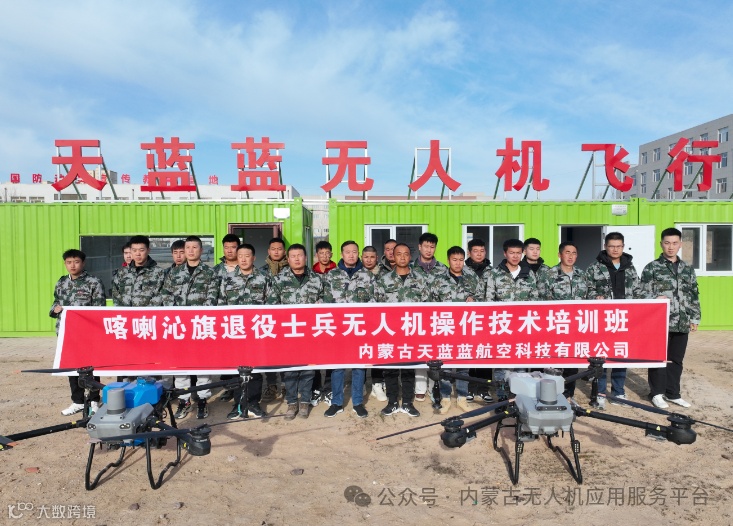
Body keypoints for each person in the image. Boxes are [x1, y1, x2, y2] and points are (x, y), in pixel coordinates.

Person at [158, 236, 220, 420]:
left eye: (194, 247)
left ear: (201, 250)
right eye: (188, 248)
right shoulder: (174, 274)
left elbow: (213, 298)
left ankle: (202, 400)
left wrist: (195, 317)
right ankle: (184, 400)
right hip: (179, 328)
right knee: (181, 366)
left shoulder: (210, 273)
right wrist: (178, 316)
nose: (191, 251)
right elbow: (166, 295)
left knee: (202, 366)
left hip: (200, 326)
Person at [640, 228, 700, 409]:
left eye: (674, 243)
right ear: (661, 244)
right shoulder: (652, 267)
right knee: (658, 358)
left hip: (681, 321)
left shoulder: (687, 269)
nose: (671, 247)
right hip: (660, 322)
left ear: (680, 244)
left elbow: (693, 294)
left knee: (676, 359)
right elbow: (640, 292)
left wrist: (695, 317)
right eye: (667, 243)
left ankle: (673, 393)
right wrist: (654, 297)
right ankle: (656, 393)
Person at [267, 244, 324, 420]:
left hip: (309, 333)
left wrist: (320, 304)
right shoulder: (279, 279)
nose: (297, 259)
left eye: (300, 255)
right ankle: (292, 402)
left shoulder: (317, 279)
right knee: (290, 369)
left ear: (306, 258)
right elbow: (271, 304)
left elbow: (325, 300)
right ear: (288, 259)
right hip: (288, 332)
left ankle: (305, 401)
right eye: (293, 256)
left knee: (308, 369)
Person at [373, 243, 431, 417]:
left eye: (406, 254)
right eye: (399, 254)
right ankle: (392, 402)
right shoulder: (383, 280)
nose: (403, 257)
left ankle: (407, 402)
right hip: (390, 332)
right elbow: (375, 306)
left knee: (408, 368)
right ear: (393, 256)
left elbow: (427, 305)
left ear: (410, 256)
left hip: (411, 332)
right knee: (390, 369)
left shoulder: (420, 279)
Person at [586, 232, 641, 409]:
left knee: (620, 354)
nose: (615, 249)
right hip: (602, 320)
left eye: (618, 246)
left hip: (624, 320)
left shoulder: (630, 267)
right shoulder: (594, 268)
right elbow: (587, 289)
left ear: (623, 247)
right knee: (601, 356)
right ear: (605, 247)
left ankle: (618, 392)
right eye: (611, 246)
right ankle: (600, 393)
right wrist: (595, 296)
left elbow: (638, 291)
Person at [321, 241, 374, 418]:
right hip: (338, 329)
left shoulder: (368, 276)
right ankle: (337, 402)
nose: (351, 255)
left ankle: (358, 402)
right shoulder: (331, 276)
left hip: (359, 328)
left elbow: (374, 301)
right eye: (347, 252)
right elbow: (325, 302)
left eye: (354, 252)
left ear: (358, 254)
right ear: (341, 254)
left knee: (359, 366)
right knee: (338, 367)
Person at [50, 249, 105, 416]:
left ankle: (94, 400)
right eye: (69, 262)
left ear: (83, 263)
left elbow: (99, 308)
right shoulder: (61, 282)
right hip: (67, 332)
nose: (72, 265)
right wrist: (55, 309)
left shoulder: (93, 282)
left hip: (87, 333)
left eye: (76, 262)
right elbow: (55, 302)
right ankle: (78, 401)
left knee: (90, 367)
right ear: (65, 264)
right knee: (71, 367)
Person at [218, 243, 270, 419]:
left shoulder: (264, 278)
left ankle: (253, 403)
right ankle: (238, 404)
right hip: (235, 331)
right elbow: (221, 304)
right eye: (240, 256)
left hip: (256, 331)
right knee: (236, 369)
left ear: (253, 258)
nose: (243, 259)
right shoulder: (227, 279)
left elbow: (271, 304)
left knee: (255, 369)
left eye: (247, 256)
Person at [485, 239, 539, 401]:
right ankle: (502, 397)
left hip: (523, 326)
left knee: (521, 363)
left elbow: (535, 300)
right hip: (502, 326)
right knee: (502, 364)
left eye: (518, 253)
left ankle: (519, 397)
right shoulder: (495, 274)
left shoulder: (529, 274)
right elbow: (489, 300)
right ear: (505, 254)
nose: (515, 256)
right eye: (511, 253)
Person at [432, 246, 484, 413]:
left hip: (465, 328)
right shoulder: (438, 280)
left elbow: (483, 298)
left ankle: (462, 397)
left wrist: (474, 300)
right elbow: (429, 303)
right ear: (448, 260)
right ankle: (445, 397)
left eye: (461, 260)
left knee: (463, 364)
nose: (458, 263)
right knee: (446, 365)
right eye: (454, 260)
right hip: (445, 328)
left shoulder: (472, 278)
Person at [540, 241, 591, 402]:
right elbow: (542, 299)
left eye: (574, 253)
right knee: (554, 363)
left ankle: (568, 395)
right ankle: (551, 395)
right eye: (567, 252)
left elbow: (589, 298)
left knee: (571, 363)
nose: (570, 256)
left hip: (576, 328)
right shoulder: (549, 275)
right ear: (559, 255)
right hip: (556, 326)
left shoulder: (582, 275)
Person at [411, 232, 449, 401]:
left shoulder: (442, 269)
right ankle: (420, 387)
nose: (428, 250)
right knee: (420, 350)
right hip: (417, 317)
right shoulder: (411, 268)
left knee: (435, 352)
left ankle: (434, 387)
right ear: (419, 247)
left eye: (432, 247)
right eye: (426, 246)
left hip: (437, 317)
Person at [213, 233, 242, 403]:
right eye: (226, 247)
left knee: (242, 356)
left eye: (233, 247)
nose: (230, 250)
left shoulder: (246, 267)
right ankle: (229, 388)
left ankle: (242, 388)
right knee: (225, 356)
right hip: (222, 321)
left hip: (241, 321)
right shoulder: (215, 270)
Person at [464, 238, 493, 403]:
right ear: (469, 253)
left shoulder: (492, 271)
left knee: (485, 353)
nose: (479, 254)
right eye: (475, 251)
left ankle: (484, 388)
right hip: (466, 319)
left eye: (482, 251)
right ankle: (469, 387)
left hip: (486, 318)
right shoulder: (462, 269)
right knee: (468, 353)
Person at [260, 237, 289, 401]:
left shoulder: (291, 269)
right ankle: (271, 385)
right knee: (269, 354)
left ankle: (285, 385)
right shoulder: (261, 271)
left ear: (284, 251)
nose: (276, 252)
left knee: (285, 353)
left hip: (286, 319)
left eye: (279, 249)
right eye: (273, 249)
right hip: (267, 320)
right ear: (268, 251)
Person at [310, 240, 335, 404]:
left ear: (331, 254)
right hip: (315, 321)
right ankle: (316, 388)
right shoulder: (311, 274)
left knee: (332, 355)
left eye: (327, 253)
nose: (325, 256)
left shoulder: (338, 272)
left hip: (333, 320)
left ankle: (329, 388)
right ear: (317, 255)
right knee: (315, 355)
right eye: (321, 253)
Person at [362, 245, 387, 401]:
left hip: (380, 321)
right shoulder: (356, 275)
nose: (369, 260)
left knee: (378, 352)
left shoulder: (385, 275)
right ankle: (362, 384)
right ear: (362, 258)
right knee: (363, 352)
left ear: (377, 258)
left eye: (372, 257)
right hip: (361, 321)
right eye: (366, 257)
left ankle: (377, 384)